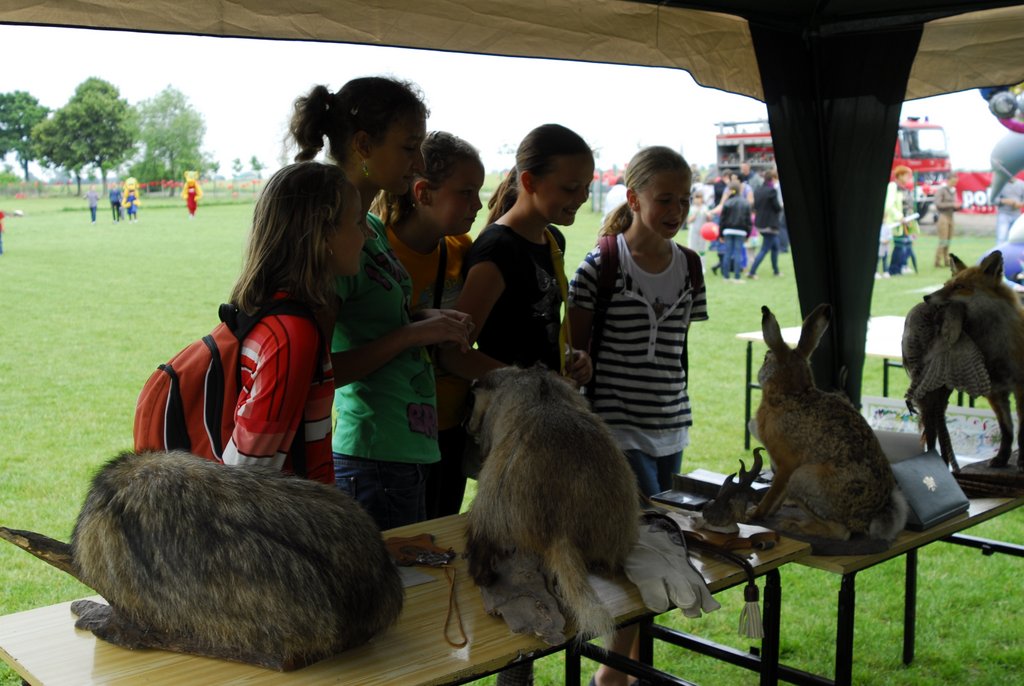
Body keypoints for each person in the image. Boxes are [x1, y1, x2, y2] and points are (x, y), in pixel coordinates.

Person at [441, 123, 594, 686]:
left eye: (586, 189)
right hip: (511, 427)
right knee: (516, 562)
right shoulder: (497, 249)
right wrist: (526, 381)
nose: (580, 200)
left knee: (541, 552)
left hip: (544, 421)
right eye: (570, 188)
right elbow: (455, 352)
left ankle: (522, 670)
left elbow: (540, 330)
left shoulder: (551, 241)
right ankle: (513, 672)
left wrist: (570, 360)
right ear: (529, 181)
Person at [289, 77, 473, 531]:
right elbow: (317, 371)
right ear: (364, 145)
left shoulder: (368, 225)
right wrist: (411, 334)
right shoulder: (334, 235)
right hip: (372, 456)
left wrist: (420, 320)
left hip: (401, 450)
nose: (419, 162)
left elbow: (371, 323)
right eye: (409, 147)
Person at [568, 145, 708, 686]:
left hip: (672, 426)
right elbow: (576, 356)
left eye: (684, 200)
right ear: (633, 198)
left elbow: (676, 349)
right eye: (664, 199)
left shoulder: (690, 266)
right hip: (616, 431)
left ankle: (628, 669)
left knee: (659, 547)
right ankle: (614, 674)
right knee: (644, 549)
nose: (676, 210)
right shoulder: (601, 266)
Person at [223, 161, 367, 484]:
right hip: (288, 517)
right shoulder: (291, 335)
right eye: (358, 222)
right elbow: (242, 477)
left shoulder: (271, 316)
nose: (366, 235)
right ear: (324, 233)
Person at [371, 131, 485, 519]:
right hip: (392, 438)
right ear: (423, 193)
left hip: (450, 429)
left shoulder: (462, 249)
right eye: (466, 192)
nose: (478, 204)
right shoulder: (377, 252)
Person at [747, 169, 783, 279]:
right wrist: (781, 206)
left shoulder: (758, 190)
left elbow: (755, 206)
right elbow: (777, 207)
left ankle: (776, 271)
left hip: (760, 223)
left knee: (775, 246)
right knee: (764, 249)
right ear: (772, 179)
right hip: (770, 225)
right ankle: (752, 272)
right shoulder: (772, 191)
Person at [714, 180, 752, 282]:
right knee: (738, 253)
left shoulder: (727, 202)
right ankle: (737, 277)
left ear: (730, 190)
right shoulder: (746, 203)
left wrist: (721, 234)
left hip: (728, 231)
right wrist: (748, 235)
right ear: (740, 189)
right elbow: (749, 221)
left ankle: (726, 277)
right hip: (741, 231)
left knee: (728, 253)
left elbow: (722, 220)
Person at [885, 165, 919, 276]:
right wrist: (899, 217)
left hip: (908, 222)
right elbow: (889, 205)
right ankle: (894, 269)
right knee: (899, 245)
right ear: (899, 175)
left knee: (907, 244)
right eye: (906, 175)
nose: (909, 177)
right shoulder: (893, 186)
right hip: (898, 222)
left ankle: (903, 266)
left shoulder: (905, 189)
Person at [933, 172, 960, 267]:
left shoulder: (953, 191)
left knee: (948, 240)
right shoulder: (941, 190)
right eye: (953, 182)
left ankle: (946, 260)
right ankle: (937, 261)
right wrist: (952, 204)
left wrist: (957, 207)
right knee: (943, 240)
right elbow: (938, 204)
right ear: (948, 180)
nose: (954, 184)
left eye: (955, 182)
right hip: (943, 217)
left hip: (951, 216)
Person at [994, 176, 1024, 245]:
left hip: (1016, 214)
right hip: (1003, 214)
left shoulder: (1021, 184)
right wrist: (1006, 201)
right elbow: (993, 200)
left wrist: (1019, 204)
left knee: (1016, 238)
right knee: (1001, 237)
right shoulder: (1000, 184)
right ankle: (1000, 252)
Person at [686, 189, 711, 257]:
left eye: (699, 197)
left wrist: (708, 216)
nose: (698, 199)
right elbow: (688, 221)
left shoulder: (705, 208)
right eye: (696, 197)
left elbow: (709, 221)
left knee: (702, 249)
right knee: (692, 249)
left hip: (703, 232)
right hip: (693, 231)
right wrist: (696, 213)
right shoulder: (692, 208)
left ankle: (702, 263)